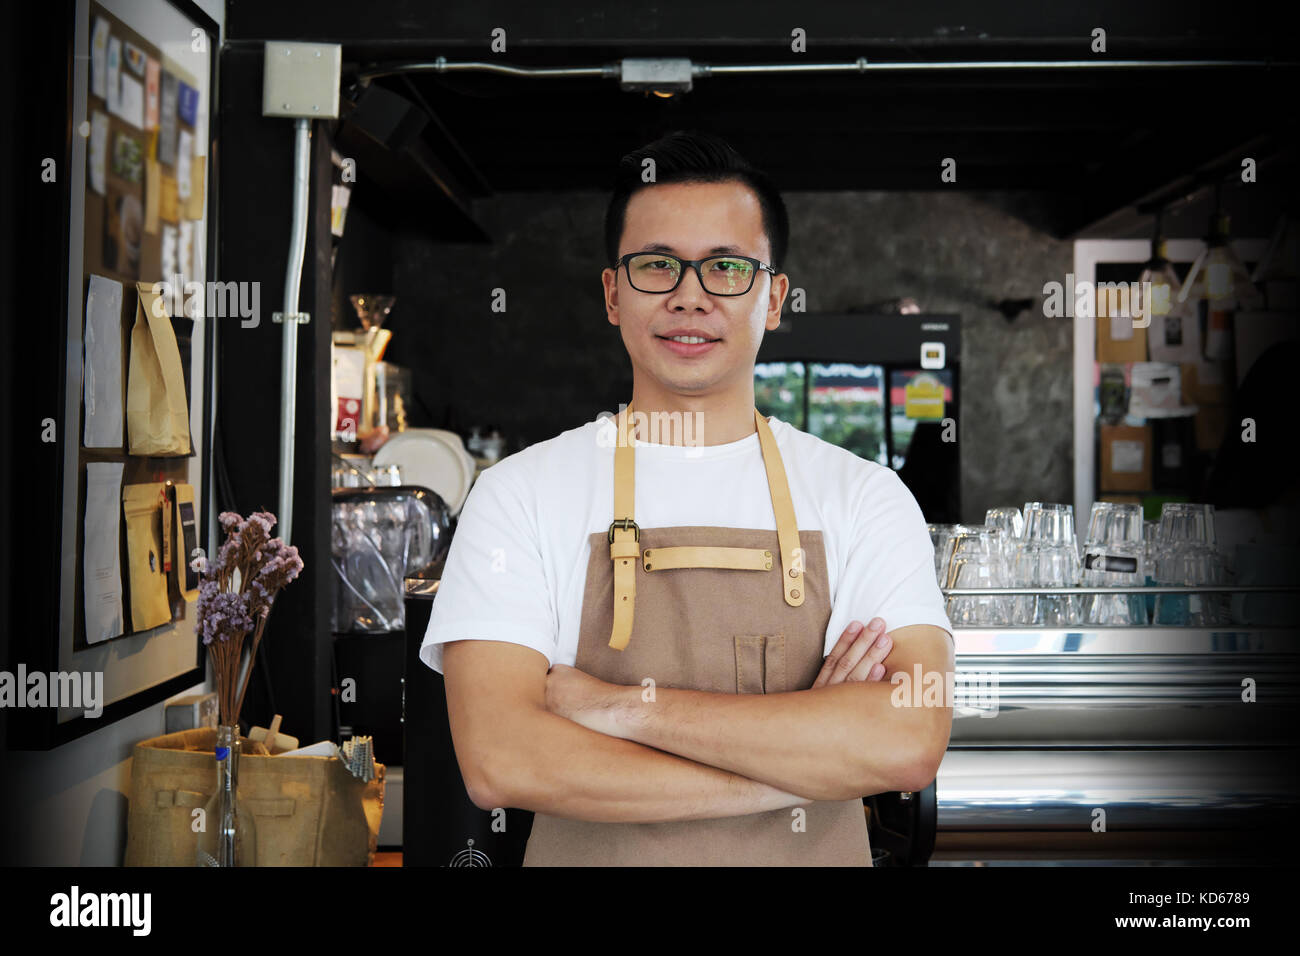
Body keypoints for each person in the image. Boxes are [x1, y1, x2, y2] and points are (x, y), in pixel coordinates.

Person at [419, 130, 955, 866]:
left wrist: (614, 706)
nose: (690, 296)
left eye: (728, 268)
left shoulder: (865, 496)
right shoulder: (517, 496)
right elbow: (503, 761)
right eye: (656, 266)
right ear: (613, 293)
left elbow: (908, 739)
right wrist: (806, 767)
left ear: (773, 298)